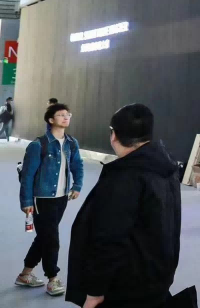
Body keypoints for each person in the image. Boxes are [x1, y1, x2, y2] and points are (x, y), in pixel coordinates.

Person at [66, 104, 180, 308]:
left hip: (126, 287)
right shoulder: (166, 168)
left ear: (114, 135)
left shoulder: (124, 178)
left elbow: (109, 238)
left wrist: (94, 292)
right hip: (156, 277)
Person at [17, 103, 83, 297]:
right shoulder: (38, 145)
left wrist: (77, 186)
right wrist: (26, 201)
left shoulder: (71, 143)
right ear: (51, 119)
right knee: (52, 239)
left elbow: (77, 165)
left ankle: (25, 275)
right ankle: (53, 279)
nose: (66, 117)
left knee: (44, 237)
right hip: (42, 199)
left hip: (61, 198)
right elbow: (28, 176)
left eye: (68, 114)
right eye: (61, 115)